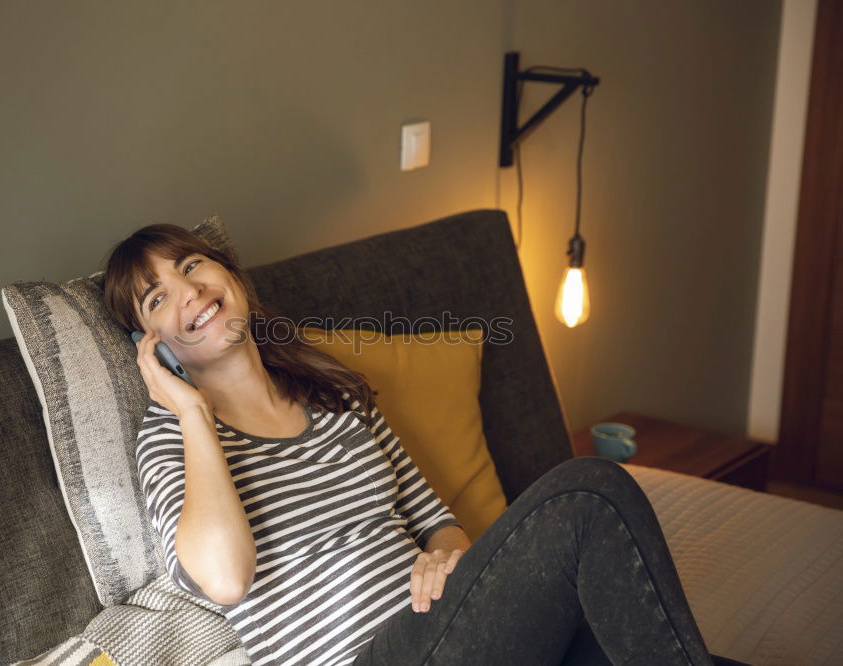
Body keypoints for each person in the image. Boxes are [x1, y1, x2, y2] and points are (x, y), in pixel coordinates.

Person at [102, 223, 725, 665]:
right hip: (368, 658)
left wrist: (445, 557)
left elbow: (436, 521)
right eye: (157, 297)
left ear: (229, 275)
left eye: (191, 265)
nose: (188, 290)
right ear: (149, 345)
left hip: (449, 629)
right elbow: (225, 579)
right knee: (590, 488)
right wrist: (190, 411)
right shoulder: (172, 440)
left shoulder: (333, 396)